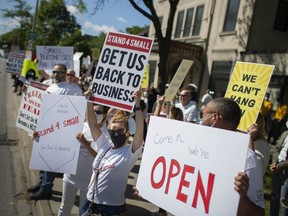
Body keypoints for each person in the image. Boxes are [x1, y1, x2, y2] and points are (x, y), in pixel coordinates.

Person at [81, 89, 144, 216]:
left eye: (119, 131)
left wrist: (137, 105)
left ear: (127, 131)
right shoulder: (105, 145)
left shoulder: (129, 153)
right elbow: (93, 125)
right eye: (112, 131)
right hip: (89, 203)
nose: (115, 134)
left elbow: (139, 132)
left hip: (110, 209)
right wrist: (89, 101)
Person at [28, 64, 83, 200]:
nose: (56, 74)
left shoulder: (74, 89)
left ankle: (46, 189)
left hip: (61, 132)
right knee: (43, 156)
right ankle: (41, 183)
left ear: (66, 73)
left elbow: (78, 110)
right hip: (47, 129)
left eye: (60, 72)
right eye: (54, 72)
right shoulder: (51, 87)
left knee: (50, 161)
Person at [202, 98, 264, 215]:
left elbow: (258, 213)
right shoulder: (200, 148)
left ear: (214, 118)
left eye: (203, 115)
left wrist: (241, 196)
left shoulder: (247, 159)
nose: (201, 119)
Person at [269, 127, 288, 216]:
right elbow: (276, 148)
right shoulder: (285, 133)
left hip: (286, 171)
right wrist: (274, 163)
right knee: (274, 196)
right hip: (277, 167)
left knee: (284, 200)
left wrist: (278, 166)